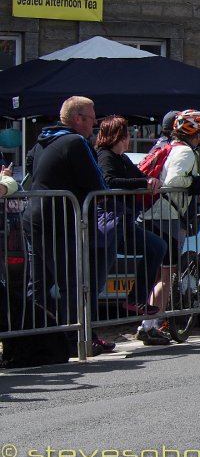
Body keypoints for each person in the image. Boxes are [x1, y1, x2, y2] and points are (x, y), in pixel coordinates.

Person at [23, 96, 114, 356]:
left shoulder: (43, 140)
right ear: (78, 119)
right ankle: (76, 340)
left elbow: (30, 168)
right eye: (92, 118)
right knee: (72, 282)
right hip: (59, 218)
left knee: (38, 283)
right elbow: (98, 183)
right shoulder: (76, 141)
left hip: (35, 215)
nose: (95, 123)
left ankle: (36, 340)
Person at [94, 116, 170, 345]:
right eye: (127, 135)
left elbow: (140, 176)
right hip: (107, 224)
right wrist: (142, 184)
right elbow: (109, 181)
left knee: (157, 246)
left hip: (124, 223)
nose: (129, 140)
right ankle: (86, 333)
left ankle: (135, 298)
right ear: (118, 136)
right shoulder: (105, 156)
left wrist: (150, 181)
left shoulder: (122, 157)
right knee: (97, 279)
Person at [139, 109, 200, 340]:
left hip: (157, 214)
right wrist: (196, 182)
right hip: (167, 217)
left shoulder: (170, 148)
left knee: (159, 274)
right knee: (165, 276)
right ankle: (149, 325)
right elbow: (174, 181)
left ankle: (148, 323)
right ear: (196, 133)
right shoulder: (186, 152)